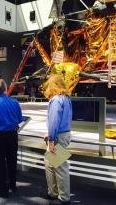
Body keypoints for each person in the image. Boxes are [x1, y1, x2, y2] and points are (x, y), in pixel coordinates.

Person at [0, 79, 23, 198]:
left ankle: (3, 190)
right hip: (12, 135)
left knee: (1, 163)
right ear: (6, 89)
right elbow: (20, 119)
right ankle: (13, 185)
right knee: (12, 160)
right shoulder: (15, 102)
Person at [43, 74, 72, 205]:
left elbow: (54, 121)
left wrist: (51, 139)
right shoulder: (66, 98)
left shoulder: (55, 100)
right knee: (50, 164)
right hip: (63, 134)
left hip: (57, 136)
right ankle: (53, 192)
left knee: (60, 167)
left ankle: (64, 197)